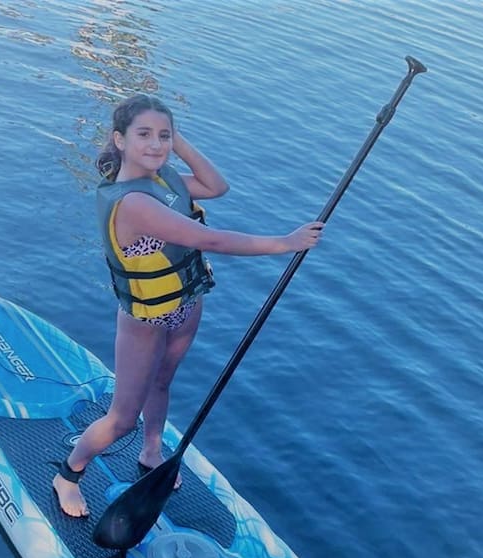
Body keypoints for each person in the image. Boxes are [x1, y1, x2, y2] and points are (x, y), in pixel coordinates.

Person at [52, 93, 324, 519]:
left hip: (185, 304)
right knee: (122, 417)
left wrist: (176, 144)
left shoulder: (167, 182)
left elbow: (217, 186)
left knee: (161, 385)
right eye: (144, 135)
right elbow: (210, 240)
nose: (156, 145)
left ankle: (152, 452)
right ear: (119, 140)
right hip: (145, 317)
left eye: (164, 135)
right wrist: (285, 243)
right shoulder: (134, 202)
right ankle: (68, 475)